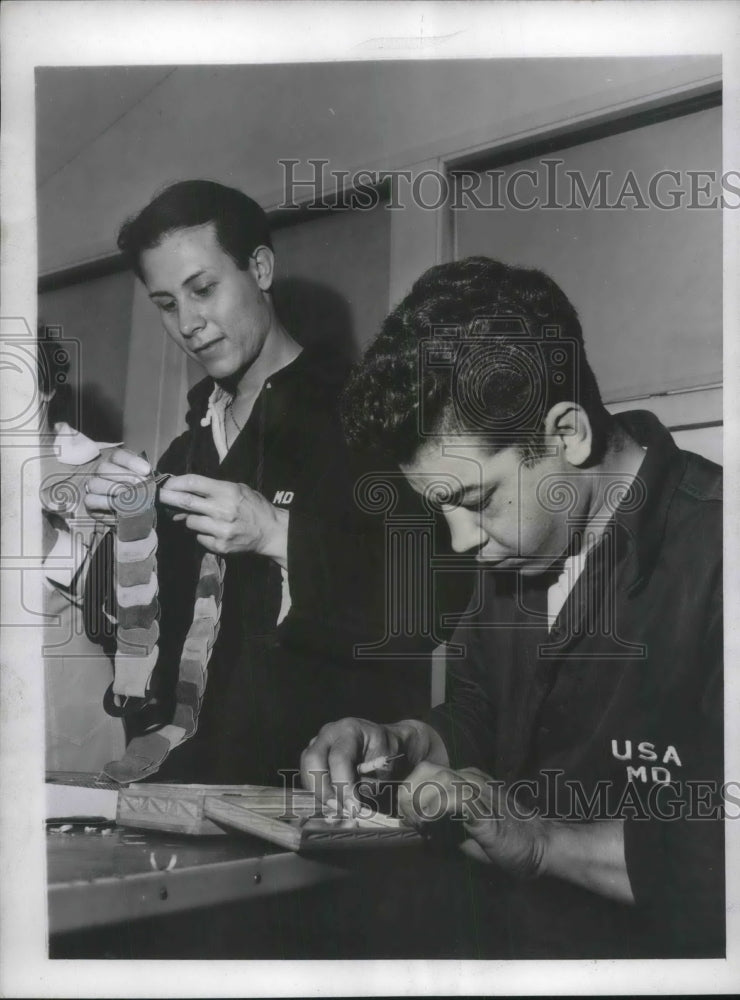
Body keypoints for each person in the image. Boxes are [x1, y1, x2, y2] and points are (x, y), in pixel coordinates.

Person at [300, 257, 723, 958]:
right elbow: (480, 714)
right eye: (442, 508)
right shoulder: (521, 545)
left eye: (477, 501)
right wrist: (401, 744)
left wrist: (540, 843)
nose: (462, 541)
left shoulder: (717, 551)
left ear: (567, 434)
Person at [82, 180, 460, 786]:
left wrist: (277, 534)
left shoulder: (369, 417)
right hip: (185, 787)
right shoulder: (185, 451)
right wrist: (117, 534)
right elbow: (120, 635)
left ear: (260, 268)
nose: (189, 323)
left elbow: (434, 601)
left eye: (203, 289)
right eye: (166, 304)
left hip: (320, 792)